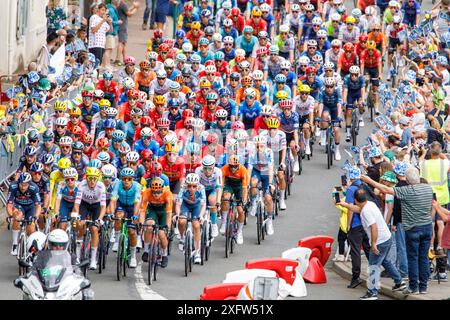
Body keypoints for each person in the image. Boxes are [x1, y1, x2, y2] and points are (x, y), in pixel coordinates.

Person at [362, 167, 433, 295]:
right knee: (423, 257)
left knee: (413, 257)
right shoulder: (428, 188)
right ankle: (423, 287)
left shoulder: (406, 190)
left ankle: (413, 287)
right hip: (427, 226)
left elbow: (385, 189)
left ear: (406, 179)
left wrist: (369, 180)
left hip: (413, 228)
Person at [338, 189, 407, 300]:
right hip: (386, 237)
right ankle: (399, 282)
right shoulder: (369, 204)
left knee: (373, 265)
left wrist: (374, 244)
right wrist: (345, 205)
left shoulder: (366, 211)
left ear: (355, 200)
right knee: (385, 261)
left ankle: (372, 292)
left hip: (379, 241)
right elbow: (358, 209)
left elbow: (373, 227)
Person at [115, 0, 140, 66]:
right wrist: (136, 8)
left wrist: (133, 7)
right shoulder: (123, 3)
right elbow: (129, 14)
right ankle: (117, 59)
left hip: (120, 24)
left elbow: (126, 10)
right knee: (121, 42)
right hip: (123, 25)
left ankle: (124, 59)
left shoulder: (120, 3)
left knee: (123, 43)